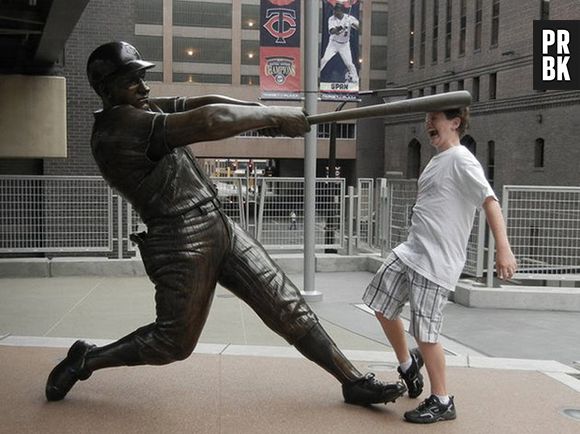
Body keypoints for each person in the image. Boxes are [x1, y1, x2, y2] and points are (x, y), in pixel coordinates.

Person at [45, 41, 406, 406]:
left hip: (219, 224)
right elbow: (210, 121)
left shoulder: (140, 107)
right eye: (133, 81)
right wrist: (273, 118)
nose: (145, 88)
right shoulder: (118, 127)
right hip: (180, 240)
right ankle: (87, 359)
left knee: (286, 305)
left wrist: (261, 112)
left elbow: (203, 103)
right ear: (106, 89)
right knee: (172, 342)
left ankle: (351, 379)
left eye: (143, 78)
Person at [363, 107, 517, 424]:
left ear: (455, 122)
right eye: (427, 118)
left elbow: (490, 200)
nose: (428, 123)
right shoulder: (436, 160)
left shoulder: (462, 159)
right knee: (380, 303)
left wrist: (504, 248)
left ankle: (443, 400)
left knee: (426, 334)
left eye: (435, 117)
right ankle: (408, 367)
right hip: (412, 251)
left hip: (436, 261)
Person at [320, 2, 360, 84]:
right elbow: (332, 31)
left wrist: (351, 23)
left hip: (344, 45)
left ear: (341, 11)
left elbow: (358, 27)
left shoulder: (348, 18)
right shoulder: (331, 19)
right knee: (324, 59)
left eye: (336, 10)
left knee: (349, 64)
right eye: (334, 10)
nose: (334, 12)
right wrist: (341, 26)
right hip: (333, 44)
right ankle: (317, 74)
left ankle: (355, 80)